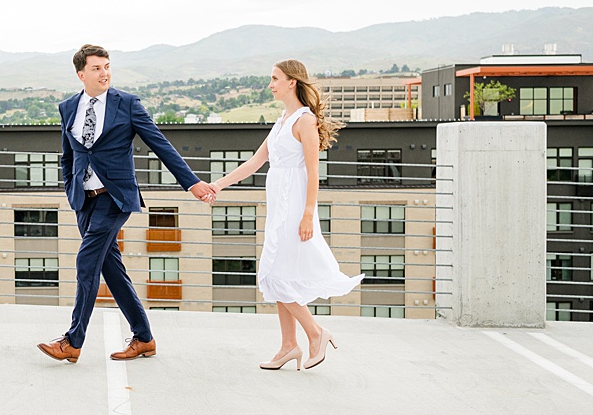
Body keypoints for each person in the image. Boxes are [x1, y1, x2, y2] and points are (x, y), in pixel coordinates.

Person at [38, 44, 216, 363]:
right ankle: (144, 338)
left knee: (86, 262)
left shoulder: (128, 104)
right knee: (111, 270)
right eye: (96, 68)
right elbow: (68, 155)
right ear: (81, 74)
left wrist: (192, 183)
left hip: (116, 197)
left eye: (107, 66)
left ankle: (73, 341)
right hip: (84, 200)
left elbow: (160, 145)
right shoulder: (68, 107)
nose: (104, 72)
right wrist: (71, 190)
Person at [207, 60, 363, 370]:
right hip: (278, 204)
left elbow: (314, 171)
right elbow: (254, 163)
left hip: (294, 208)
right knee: (282, 274)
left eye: (275, 78)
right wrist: (217, 185)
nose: (270, 84)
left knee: (274, 275)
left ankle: (316, 333)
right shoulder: (282, 120)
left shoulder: (304, 121)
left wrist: (308, 214)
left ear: (292, 82)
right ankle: (289, 346)